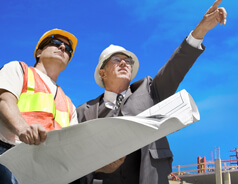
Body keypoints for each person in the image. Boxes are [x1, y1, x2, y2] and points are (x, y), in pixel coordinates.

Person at [75, 0, 227, 184]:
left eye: (128, 60)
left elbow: (175, 67)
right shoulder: (83, 112)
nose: (124, 63)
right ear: (102, 72)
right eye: (117, 59)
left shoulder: (150, 91)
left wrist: (200, 31)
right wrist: (98, 166)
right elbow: (72, 161)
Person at [0, 28, 79, 184]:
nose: (62, 48)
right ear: (38, 52)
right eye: (56, 43)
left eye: (68, 50)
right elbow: (4, 101)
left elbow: (70, 144)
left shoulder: (69, 104)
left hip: (42, 171)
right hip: (2, 155)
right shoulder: (19, 69)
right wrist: (23, 128)